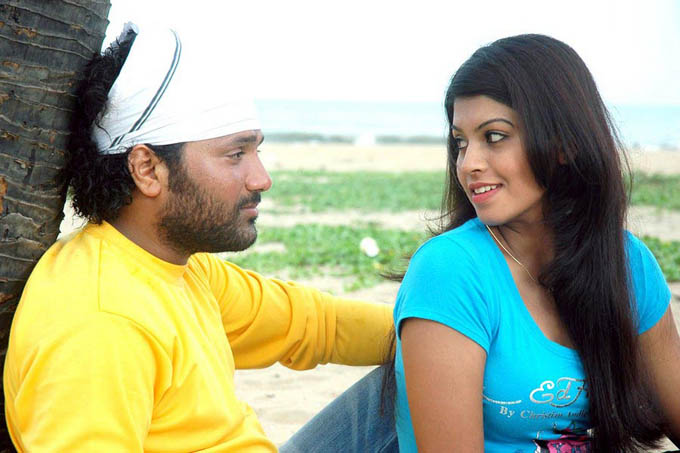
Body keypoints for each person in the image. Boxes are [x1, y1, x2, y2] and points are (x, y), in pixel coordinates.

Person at [3, 23, 398, 452]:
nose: (261, 178)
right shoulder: (100, 321)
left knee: (425, 364)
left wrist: (442, 332)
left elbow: (313, 324)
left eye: (257, 151)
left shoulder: (177, 268)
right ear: (148, 169)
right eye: (236, 154)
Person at [391, 34, 680, 452]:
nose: (468, 164)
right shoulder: (451, 270)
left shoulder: (625, 263)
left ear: (565, 144)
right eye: (460, 142)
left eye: (494, 136)